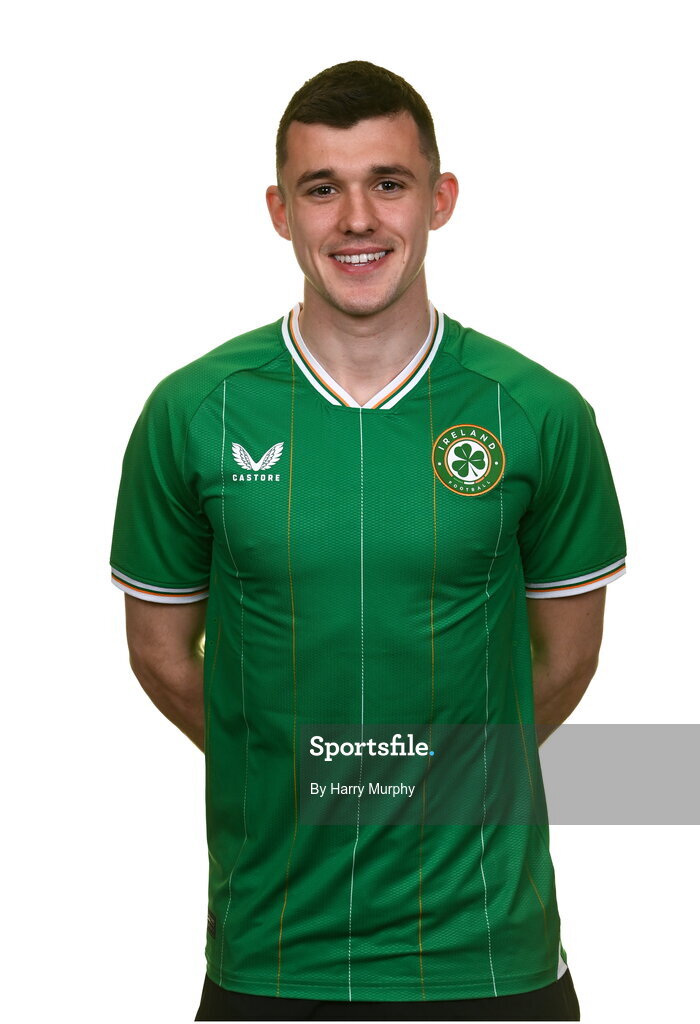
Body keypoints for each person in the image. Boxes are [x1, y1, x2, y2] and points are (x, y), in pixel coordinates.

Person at [110, 61, 625, 1022]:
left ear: (440, 199)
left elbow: (564, 657)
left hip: (489, 955)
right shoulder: (191, 413)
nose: (357, 219)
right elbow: (161, 656)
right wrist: (304, 772)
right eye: (322, 188)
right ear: (278, 210)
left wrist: (422, 779)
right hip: (271, 955)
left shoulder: (540, 413)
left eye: (388, 183)